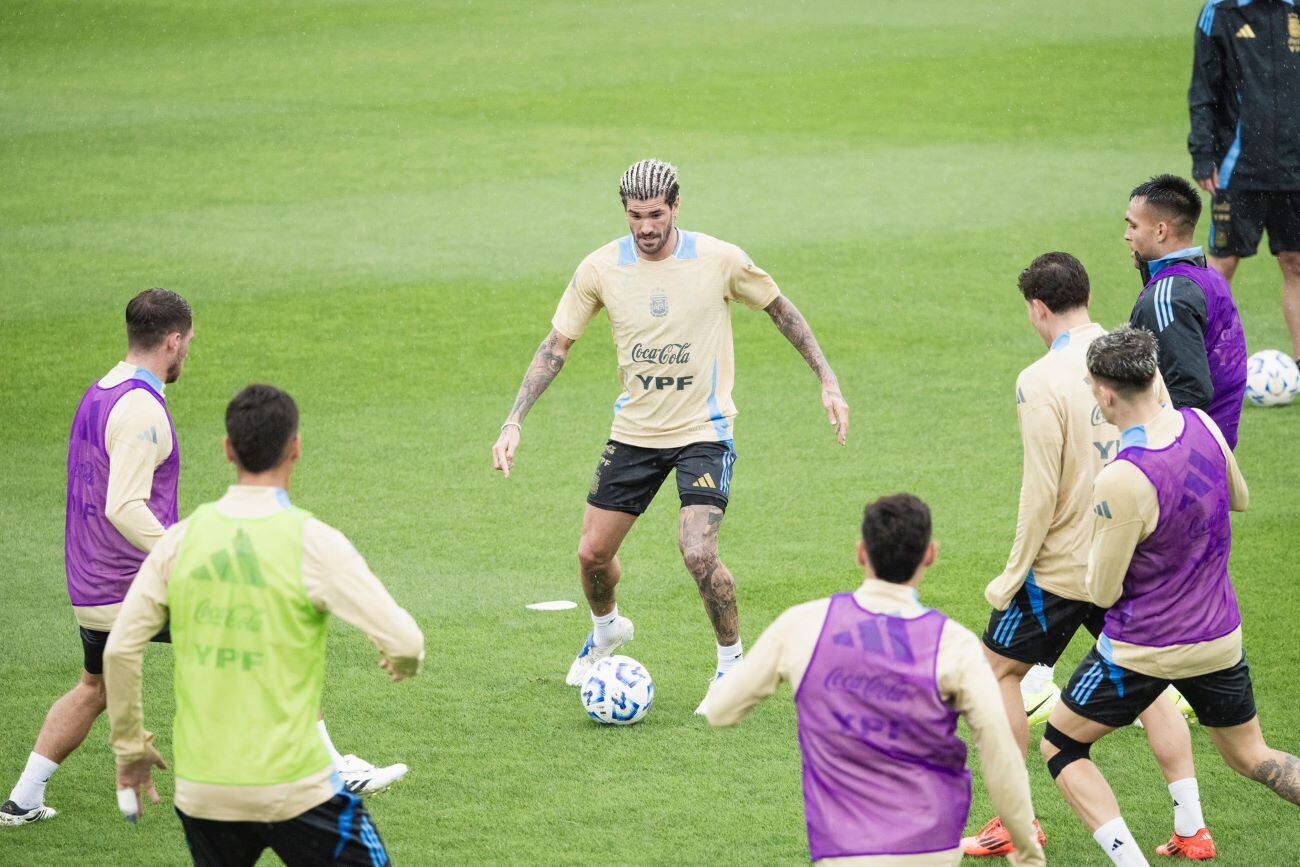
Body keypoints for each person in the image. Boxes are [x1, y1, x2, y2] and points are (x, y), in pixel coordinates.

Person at [1, 292, 398, 830]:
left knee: (93, 687)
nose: (189, 350)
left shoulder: (101, 392)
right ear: (171, 340)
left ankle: (22, 800)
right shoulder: (142, 409)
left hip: (91, 587)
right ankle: (330, 772)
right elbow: (123, 505)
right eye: (188, 341)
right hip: (131, 586)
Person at [490, 158, 850, 712]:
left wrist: (827, 379)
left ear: (676, 206)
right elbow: (555, 347)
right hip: (635, 433)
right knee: (591, 555)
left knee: (698, 550)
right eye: (636, 216)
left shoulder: (719, 259)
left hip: (702, 431)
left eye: (656, 214)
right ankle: (607, 630)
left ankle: (732, 666)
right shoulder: (600, 269)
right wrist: (515, 419)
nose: (646, 227)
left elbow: (780, 309)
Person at [104, 385, 425, 866]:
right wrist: (399, 660)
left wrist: (130, 748)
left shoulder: (179, 542)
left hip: (204, 793)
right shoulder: (314, 542)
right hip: (298, 790)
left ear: (228, 450)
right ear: (296, 448)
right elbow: (406, 642)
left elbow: (120, 650)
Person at [967, 255, 1208, 859]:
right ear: (1087, 294)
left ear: (1037, 308)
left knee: (997, 673)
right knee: (1147, 683)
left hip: (1066, 566)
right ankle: (1191, 828)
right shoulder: (1134, 352)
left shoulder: (1038, 379)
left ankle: (1014, 823)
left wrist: (1012, 572)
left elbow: (1040, 490)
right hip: (1133, 555)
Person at [1041, 327, 1300, 867]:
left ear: (1107, 394)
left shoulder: (1121, 477)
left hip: (1144, 647)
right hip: (1219, 638)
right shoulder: (1203, 426)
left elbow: (1103, 591)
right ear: (1153, 377)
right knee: (1253, 756)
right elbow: (1239, 499)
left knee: (1061, 746)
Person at [706, 494, 1044, 867]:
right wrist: (1026, 852)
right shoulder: (955, 644)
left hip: (843, 851)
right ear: (930, 554)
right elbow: (1001, 758)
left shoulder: (802, 626)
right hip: (933, 850)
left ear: (861, 552)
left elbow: (721, 711)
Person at [1189, 0, 1300, 361]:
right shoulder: (1220, 12)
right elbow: (1202, 89)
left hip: (1295, 168)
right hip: (1239, 166)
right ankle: (1213, 365)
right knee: (1222, 266)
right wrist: (1203, 154)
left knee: (1296, 263)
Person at [1125, 175, 1245, 449]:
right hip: (1215, 446)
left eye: (1133, 225)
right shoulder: (1209, 277)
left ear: (1160, 231)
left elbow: (1190, 391)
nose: (1127, 235)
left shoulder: (1168, 296)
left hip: (1185, 455)